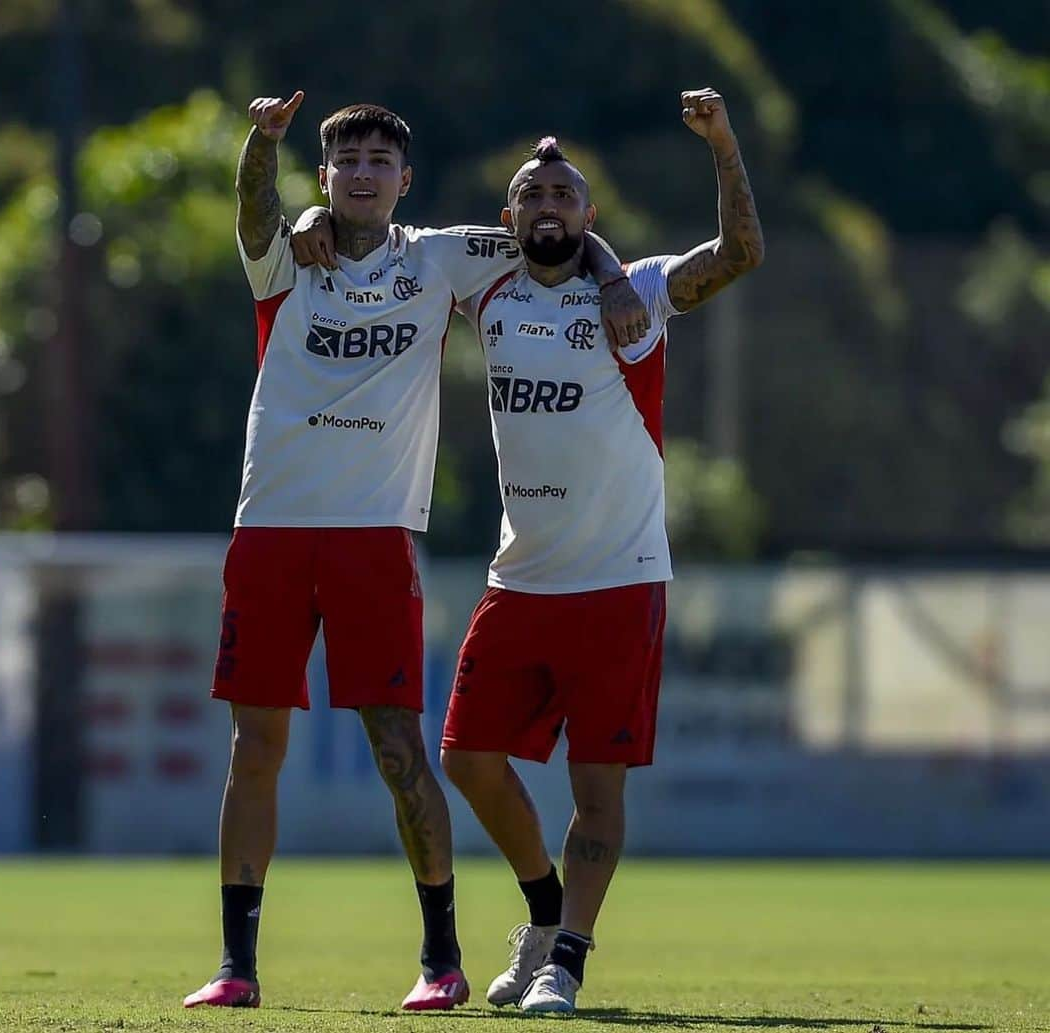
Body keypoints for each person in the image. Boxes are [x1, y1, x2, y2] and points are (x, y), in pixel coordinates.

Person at [182, 91, 649, 1012]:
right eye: (344, 162)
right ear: (323, 177)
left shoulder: (440, 258)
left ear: (405, 180)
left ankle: (442, 957)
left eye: (377, 162)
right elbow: (252, 213)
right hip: (269, 527)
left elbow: (543, 229)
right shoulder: (290, 254)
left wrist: (613, 272)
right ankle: (238, 965)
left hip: (375, 534)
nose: (361, 174)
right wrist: (260, 142)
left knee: (399, 748)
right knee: (256, 746)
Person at [439, 87, 764, 1014]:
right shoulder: (480, 280)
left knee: (596, 783)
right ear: (508, 220)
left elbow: (743, 254)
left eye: (565, 196)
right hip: (522, 575)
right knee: (465, 757)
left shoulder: (645, 291)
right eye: (532, 197)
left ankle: (567, 960)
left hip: (619, 580)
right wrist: (304, 216)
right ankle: (544, 909)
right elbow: (376, 232)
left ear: (591, 216)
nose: (548, 207)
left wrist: (724, 147)